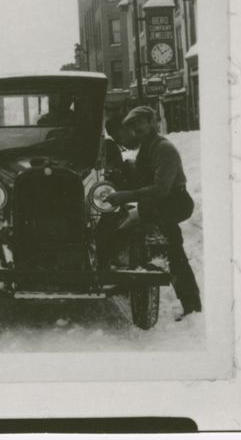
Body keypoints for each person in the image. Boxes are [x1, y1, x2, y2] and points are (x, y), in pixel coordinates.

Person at [100, 106, 202, 321]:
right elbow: (141, 178)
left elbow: (160, 189)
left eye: (140, 129)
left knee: (172, 250)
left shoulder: (164, 149)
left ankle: (192, 306)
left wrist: (124, 195)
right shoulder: (148, 147)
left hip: (173, 202)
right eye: (133, 131)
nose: (136, 134)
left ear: (151, 123)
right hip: (158, 203)